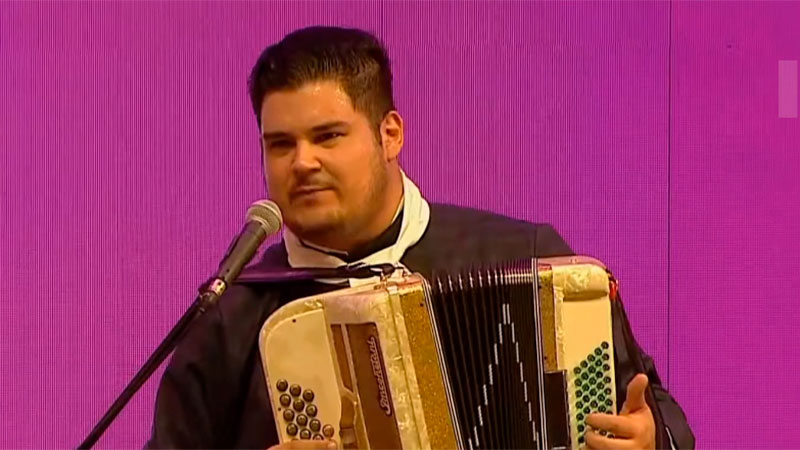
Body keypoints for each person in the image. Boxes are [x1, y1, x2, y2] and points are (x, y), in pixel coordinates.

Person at [146, 26, 694, 450]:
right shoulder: (232, 316)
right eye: (280, 144)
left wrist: (649, 441)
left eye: (328, 136)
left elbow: (657, 414)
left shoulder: (527, 259)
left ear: (390, 134)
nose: (302, 162)